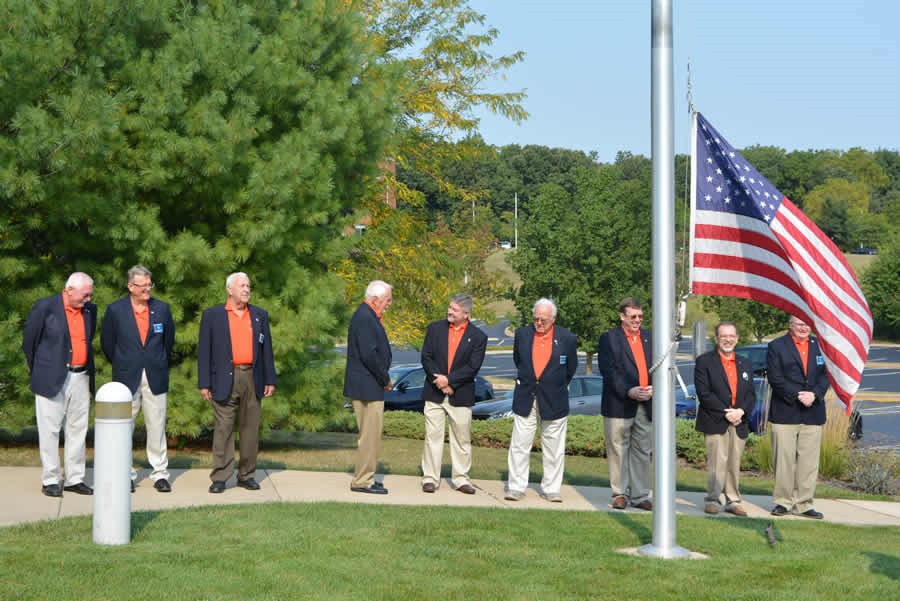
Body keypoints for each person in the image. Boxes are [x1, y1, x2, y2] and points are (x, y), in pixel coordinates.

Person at [198, 272, 276, 493]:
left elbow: (266, 350)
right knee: (223, 429)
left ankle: (247, 475)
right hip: (224, 377)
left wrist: (270, 378)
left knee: (250, 428)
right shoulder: (213, 316)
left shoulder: (259, 315)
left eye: (249, 285)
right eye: (242, 285)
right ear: (229, 289)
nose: (246, 289)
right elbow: (204, 352)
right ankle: (221, 477)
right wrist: (204, 383)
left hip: (253, 377)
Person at [101, 265, 176, 493]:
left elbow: (168, 342)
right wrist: (124, 362)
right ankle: (126, 474)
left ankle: (160, 473)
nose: (147, 290)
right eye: (142, 286)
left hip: (155, 374)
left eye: (149, 285)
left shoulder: (162, 309)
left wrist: (157, 360)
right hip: (126, 376)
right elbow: (107, 344)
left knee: (157, 424)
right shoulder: (115, 310)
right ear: (130, 286)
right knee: (125, 426)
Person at [22, 272, 97, 497]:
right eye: (85, 295)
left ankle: (75, 478)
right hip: (51, 377)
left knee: (78, 429)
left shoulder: (90, 311)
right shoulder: (45, 307)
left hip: (81, 376)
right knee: (49, 430)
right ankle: (51, 479)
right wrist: (39, 370)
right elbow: (29, 343)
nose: (89, 299)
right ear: (69, 290)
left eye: (90, 295)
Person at [505, 298, 578, 503]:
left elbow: (570, 369)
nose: (539, 323)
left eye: (543, 320)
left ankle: (552, 489)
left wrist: (552, 383)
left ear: (553, 319)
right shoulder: (522, 335)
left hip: (555, 399)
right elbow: (519, 360)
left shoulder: (567, 338)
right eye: (536, 318)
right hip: (526, 396)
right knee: (520, 445)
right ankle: (516, 487)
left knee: (554, 448)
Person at [420, 293, 488, 494]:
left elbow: (472, 367)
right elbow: (426, 358)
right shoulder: (435, 329)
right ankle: (430, 478)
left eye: (455, 309)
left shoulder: (478, 337)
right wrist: (441, 382)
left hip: (461, 395)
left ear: (466, 314)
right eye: (450, 307)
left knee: (462, 439)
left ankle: (461, 479)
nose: (449, 312)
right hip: (434, 393)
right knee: (433, 437)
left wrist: (450, 381)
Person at [767, 315, 830, 519]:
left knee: (809, 463)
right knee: (783, 461)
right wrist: (796, 395)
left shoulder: (821, 346)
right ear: (790, 325)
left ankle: (804, 504)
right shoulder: (777, 346)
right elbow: (775, 377)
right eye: (799, 324)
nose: (803, 328)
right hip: (785, 412)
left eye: (807, 324)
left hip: (813, 412)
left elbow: (827, 374)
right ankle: (783, 503)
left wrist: (815, 394)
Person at [694, 322, 757, 516]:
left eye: (731, 336)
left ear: (737, 339)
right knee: (717, 463)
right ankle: (712, 499)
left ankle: (733, 500)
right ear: (717, 339)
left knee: (733, 462)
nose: (728, 339)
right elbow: (704, 394)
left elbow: (751, 395)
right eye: (724, 336)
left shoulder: (744, 363)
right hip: (715, 420)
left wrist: (741, 412)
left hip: (739, 422)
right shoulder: (705, 361)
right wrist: (727, 412)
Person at [597, 297, 653, 511]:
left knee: (642, 450)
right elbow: (609, 371)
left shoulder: (649, 338)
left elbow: (658, 366)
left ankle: (639, 495)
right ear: (622, 316)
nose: (637, 320)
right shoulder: (609, 339)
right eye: (633, 316)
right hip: (619, 404)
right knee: (618, 449)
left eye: (640, 316)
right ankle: (620, 493)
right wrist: (629, 391)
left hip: (646, 404)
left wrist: (653, 388)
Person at [344, 280, 393, 495]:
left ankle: (368, 476)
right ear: (375, 300)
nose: (389, 304)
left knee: (372, 436)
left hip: (369, 384)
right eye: (387, 300)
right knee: (369, 437)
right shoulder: (364, 317)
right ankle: (362, 481)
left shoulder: (368, 315)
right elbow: (369, 354)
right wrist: (385, 379)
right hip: (367, 385)